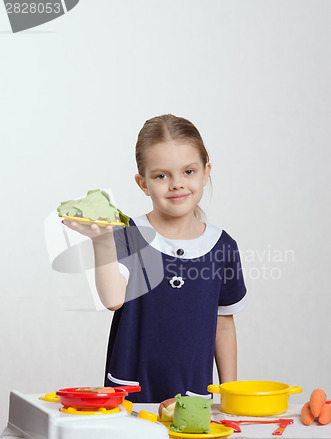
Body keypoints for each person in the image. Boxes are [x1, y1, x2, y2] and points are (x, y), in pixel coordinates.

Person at [62, 114, 247, 403]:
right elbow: (113, 299)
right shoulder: (128, 234)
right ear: (143, 183)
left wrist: (231, 394)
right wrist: (101, 240)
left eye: (188, 171)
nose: (176, 184)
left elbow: (223, 325)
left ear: (206, 171)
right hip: (132, 393)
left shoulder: (222, 246)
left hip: (194, 396)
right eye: (161, 176)